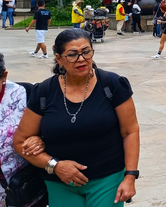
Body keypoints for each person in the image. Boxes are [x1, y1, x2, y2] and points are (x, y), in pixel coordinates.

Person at [15, 29, 141, 206]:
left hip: (107, 179)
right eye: (72, 54)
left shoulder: (112, 84)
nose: (81, 59)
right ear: (59, 58)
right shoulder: (44, 92)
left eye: (86, 52)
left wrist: (130, 176)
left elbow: (130, 131)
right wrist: (55, 166)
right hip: (60, 183)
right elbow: (20, 142)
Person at [0, 48, 46, 207]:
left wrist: (40, 138)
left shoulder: (25, 95)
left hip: (22, 194)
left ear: (4, 77)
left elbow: (53, 128)